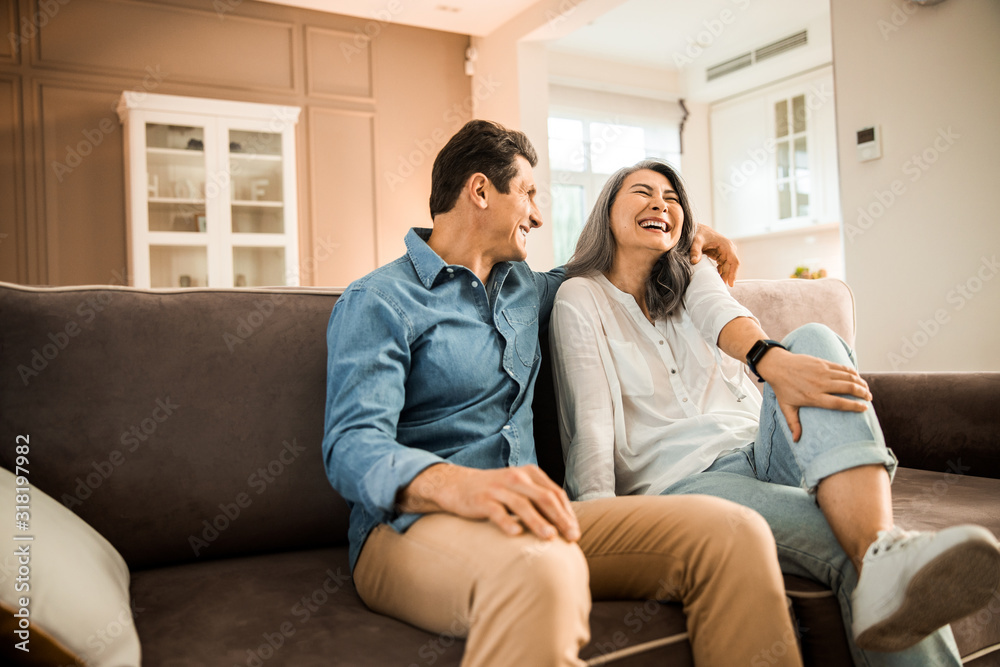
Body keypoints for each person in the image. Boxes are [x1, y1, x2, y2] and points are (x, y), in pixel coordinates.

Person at [323, 120, 806, 666]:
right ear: (481, 191)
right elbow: (351, 447)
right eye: (528, 194)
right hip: (410, 528)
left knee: (733, 531)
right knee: (541, 569)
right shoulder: (379, 301)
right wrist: (461, 487)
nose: (537, 214)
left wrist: (691, 232)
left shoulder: (530, 290)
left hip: (539, 519)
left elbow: (619, 261)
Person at [548, 158, 1000, 667]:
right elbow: (588, 425)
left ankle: (882, 549)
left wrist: (769, 357)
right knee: (846, 542)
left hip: (761, 448)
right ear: (605, 211)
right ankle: (880, 552)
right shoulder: (578, 298)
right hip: (683, 484)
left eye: (673, 197)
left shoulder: (694, 278)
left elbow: (723, 314)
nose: (661, 203)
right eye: (642, 192)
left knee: (814, 338)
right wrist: (600, 534)